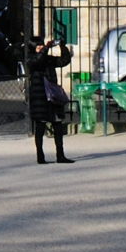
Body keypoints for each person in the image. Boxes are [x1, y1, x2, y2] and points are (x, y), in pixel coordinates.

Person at [25, 30, 75, 164]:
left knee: (58, 125)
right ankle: (40, 156)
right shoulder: (31, 59)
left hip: (52, 96)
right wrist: (46, 47)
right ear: (33, 48)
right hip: (39, 97)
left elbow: (63, 61)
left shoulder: (47, 58)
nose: (41, 48)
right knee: (40, 127)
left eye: (41, 45)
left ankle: (60, 155)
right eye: (38, 46)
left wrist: (62, 46)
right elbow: (37, 60)